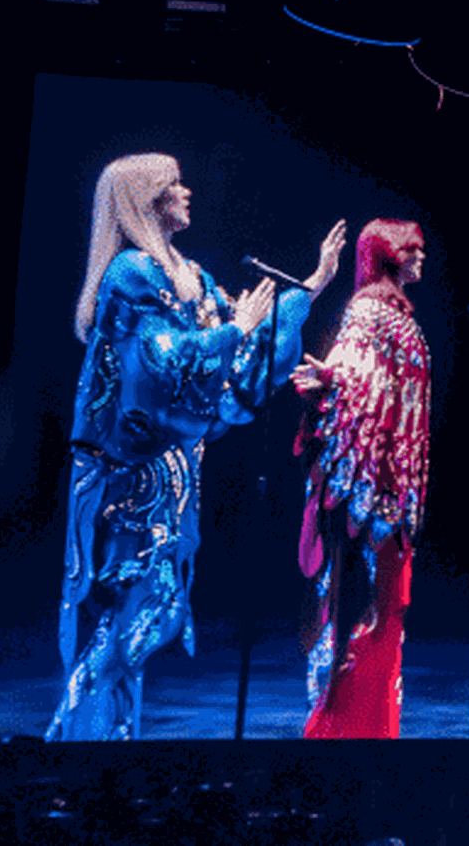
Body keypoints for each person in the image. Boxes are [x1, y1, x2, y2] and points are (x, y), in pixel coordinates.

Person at [47, 153, 346, 741]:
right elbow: (162, 360)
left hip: (175, 472)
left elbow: (239, 353)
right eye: (173, 185)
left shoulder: (190, 275)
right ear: (147, 200)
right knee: (142, 608)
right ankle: (71, 731)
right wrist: (234, 330)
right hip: (127, 476)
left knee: (144, 612)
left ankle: (101, 737)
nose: (186, 191)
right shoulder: (131, 274)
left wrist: (312, 284)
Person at [291, 219, 433, 738]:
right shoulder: (370, 309)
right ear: (389, 255)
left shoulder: (392, 313)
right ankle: (346, 729)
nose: (420, 258)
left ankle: (369, 727)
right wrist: (329, 380)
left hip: (392, 487)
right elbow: (353, 373)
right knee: (367, 612)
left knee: (383, 615)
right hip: (372, 493)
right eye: (411, 250)